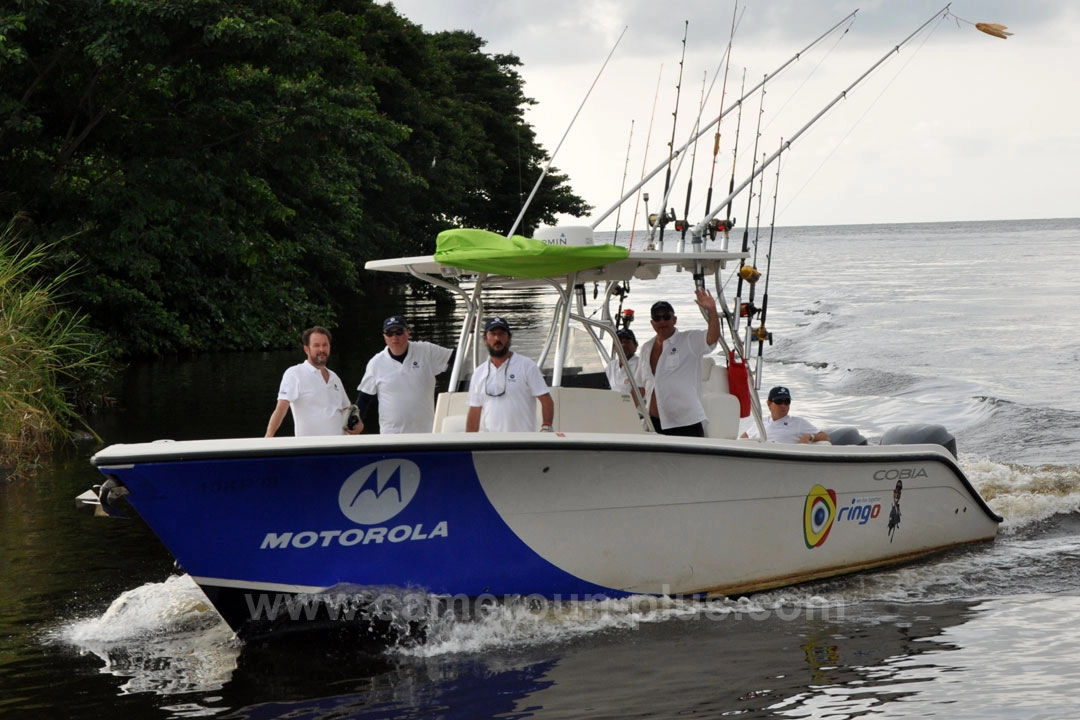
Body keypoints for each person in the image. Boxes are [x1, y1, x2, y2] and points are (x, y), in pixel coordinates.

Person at [634, 289, 720, 437]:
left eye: (666, 316)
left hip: (686, 423)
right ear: (652, 322)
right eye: (657, 318)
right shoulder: (646, 348)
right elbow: (640, 387)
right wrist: (621, 411)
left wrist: (712, 311)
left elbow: (712, 337)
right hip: (653, 423)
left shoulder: (689, 340)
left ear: (674, 320)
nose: (662, 321)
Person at [355, 316, 453, 433]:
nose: (394, 337)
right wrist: (356, 423)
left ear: (408, 333)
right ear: (384, 336)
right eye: (389, 333)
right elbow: (364, 398)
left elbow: (458, 358)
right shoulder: (376, 363)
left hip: (426, 433)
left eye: (399, 332)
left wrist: (472, 334)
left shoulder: (426, 351)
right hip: (391, 435)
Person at [466, 317, 555, 433]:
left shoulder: (526, 365)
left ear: (509, 338)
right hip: (490, 444)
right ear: (485, 339)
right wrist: (469, 443)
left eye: (501, 334)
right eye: (493, 334)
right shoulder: (478, 373)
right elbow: (474, 409)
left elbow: (546, 400)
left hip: (523, 441)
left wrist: (546, 426)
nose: (497, 338)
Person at [265, 326, 357, 437]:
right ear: (306, 349)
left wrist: (357, 423)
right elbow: (281, 408)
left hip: (340, 448)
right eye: (316, 345)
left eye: (325, 345)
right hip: (311, 449)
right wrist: (267, 438)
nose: (322, 350)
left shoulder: (334, 377)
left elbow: (346, 408)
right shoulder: (294, 373)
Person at [741, 386, 830, 444]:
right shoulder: (761, 422)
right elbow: (743, 438)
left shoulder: (798, 422)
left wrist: (810, 436)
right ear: (769, 404)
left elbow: (825, 437)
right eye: (779, 401)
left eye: (787, 402)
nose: (783, 405)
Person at [605, 328, 640, 394]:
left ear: (636, 346)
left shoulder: (641, 364)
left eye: (627, 342)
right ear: (614, 348)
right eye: (619, 342)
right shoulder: (611, 366)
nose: (623, 345)